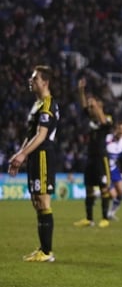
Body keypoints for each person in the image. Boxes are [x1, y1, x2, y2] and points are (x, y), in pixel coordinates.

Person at [9, 65, 60, 262]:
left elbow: (41, 136)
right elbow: (30, 135)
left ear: (45, 82)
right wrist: (20, 155)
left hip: (43, 156)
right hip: (33, 156)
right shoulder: (37, 104)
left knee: (43, 201)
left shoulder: (48, 105)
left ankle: (47, 252)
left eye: (34, 79)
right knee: (36, 202)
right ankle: (42, 249)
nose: (31, 81)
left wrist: (22, 155)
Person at [73, 77, 115, 228]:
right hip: (90, 157)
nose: (91, 109)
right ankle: (89, 219)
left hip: (101, 158)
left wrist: (96, 105)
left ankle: (105, 218)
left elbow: (103, 121)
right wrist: (81, 91)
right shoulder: (90, 120)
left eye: (94, 107)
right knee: (89, 187)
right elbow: (84, 106)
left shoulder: (107, 120)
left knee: (103, 187)